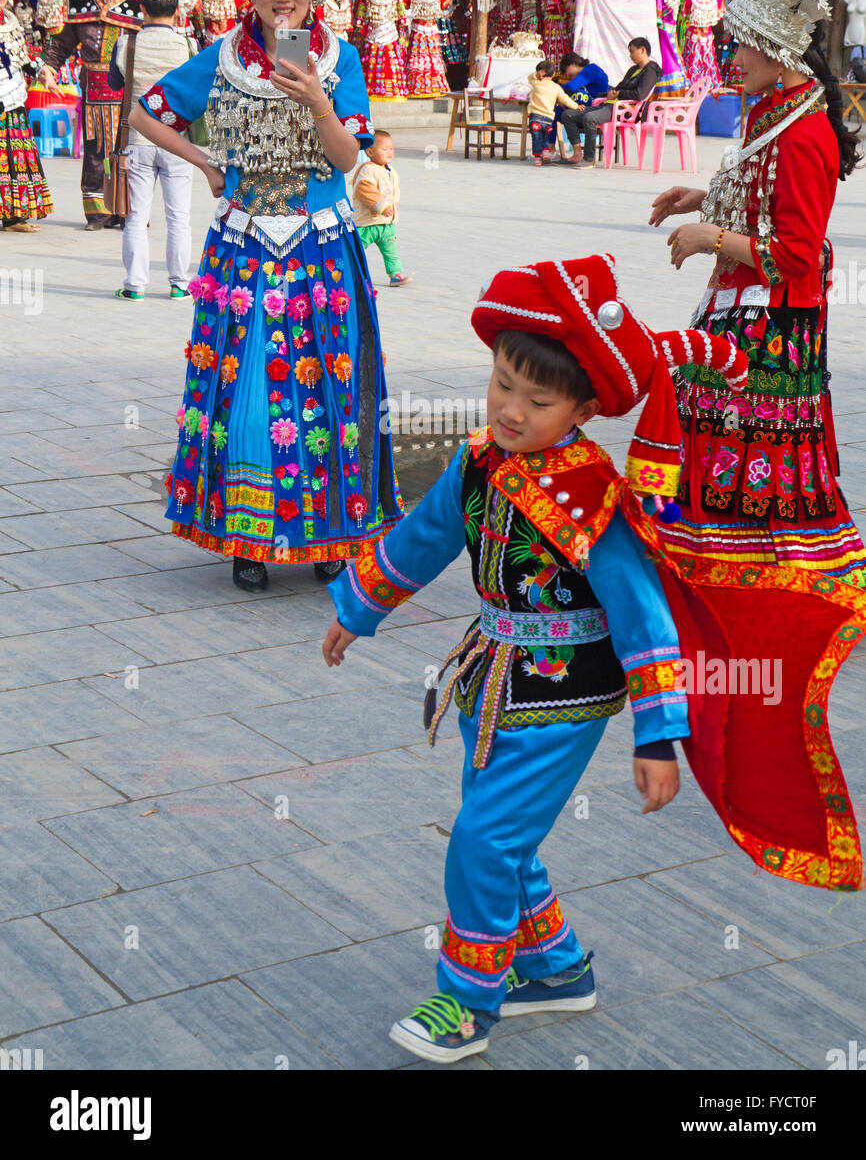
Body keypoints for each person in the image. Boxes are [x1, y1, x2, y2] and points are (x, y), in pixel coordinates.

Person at [322, 254, 865, 1064]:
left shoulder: (595, 502)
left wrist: (656, 740)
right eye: (503, 383)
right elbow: (425, 536)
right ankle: (556, 968)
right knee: (503, 832)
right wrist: (357, 609)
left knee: (482, 839)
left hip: (565, 697)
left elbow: (644, 620)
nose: (510, 409)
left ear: (582, 408)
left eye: (537, 401)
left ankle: (468, 999)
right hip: (491, 677)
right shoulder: (478, 460)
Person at [130, 0, 402, 594]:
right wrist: (205, 162)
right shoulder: (218, 60)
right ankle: (251, 537)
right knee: (249, 388)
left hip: (320, 243)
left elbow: (352, 160)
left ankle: (328, 534)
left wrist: (318, 100)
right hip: (247, 245)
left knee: (328, 383)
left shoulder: (340, 58)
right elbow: (147, 113)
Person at [649, 0, 866, 589]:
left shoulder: (804, 134)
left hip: (772, 319)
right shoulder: (773, 109)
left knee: (748, 443)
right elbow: (762, 204)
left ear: (776, 50)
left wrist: (709, 236)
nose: (731, 58)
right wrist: (700, 199)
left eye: (740, 45)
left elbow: (795, 253)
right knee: (716, 432)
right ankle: (712, 561)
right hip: (742, 305)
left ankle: (763, 574)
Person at [38, 0, 141, 229]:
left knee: (128, 150)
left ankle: (126, 209)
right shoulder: (80, 8)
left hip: (128, 91)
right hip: (94, 89)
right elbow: (61, 47)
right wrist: (48, 69)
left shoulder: (135, 10)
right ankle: (97, 211)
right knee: (96, 151)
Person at [109, 0, 195, 301]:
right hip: (177, 141)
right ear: (176, 10)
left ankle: (135, 284)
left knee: (136, 216)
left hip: (137, 141)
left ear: (142, 7)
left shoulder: (126, 43)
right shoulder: (189, 46)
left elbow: (117, 84)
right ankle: (179, 284)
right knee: (179, 217)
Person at [0, 0, 52, 232]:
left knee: (16, 156)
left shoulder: (10, 19)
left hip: (12, 95)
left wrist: (41, 68)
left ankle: (14, 214)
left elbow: (21, 55)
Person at [566, 37, 661, 169]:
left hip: (624, 110)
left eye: (632, 51)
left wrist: (619, 94)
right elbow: (620, 87)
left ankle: (588, 159)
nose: (630, 55)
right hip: (610, 105)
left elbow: (640, 95)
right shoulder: (633, 70)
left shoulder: (650, 71)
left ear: (642, 50)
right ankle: (577, 153)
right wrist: (611, 93)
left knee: (590, 118)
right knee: (568, 115)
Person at [350, 130, 411, 286]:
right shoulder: (368, 169)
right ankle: (349, 272)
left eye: (391, 148)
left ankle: (395, 274)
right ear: (370, 151)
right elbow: (364, 189)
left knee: (391, 252)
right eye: (384, 149)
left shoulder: (390, 170)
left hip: (386, 224)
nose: (389, 152)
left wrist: (392, 212)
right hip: (367, 223)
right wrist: (381, 205)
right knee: (356, 249)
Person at [556, 50, 609, 161]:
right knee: (553, 112)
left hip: (596, 110)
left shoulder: (591, 70)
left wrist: (553, 89)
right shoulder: (586, 73)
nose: (567, 75)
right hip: (588, 108)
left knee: (563, 113)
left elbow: (570, 86)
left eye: (566, 71)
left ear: (573, 64)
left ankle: (577, 153)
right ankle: (550, 149)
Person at [526, 59, 579, 166]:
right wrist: (577, 106)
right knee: (546, 136)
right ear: (554, 74)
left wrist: (536, 74)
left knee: (536, 137)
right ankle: (546, 152)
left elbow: (529, 77)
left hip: (535, 116)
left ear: (540, 73)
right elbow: (565, 99)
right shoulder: (556, 87)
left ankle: (537, 158)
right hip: (548, 118)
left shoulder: (536, 84)